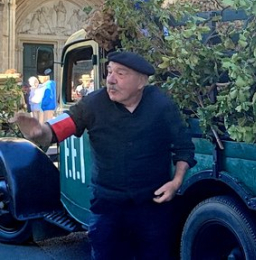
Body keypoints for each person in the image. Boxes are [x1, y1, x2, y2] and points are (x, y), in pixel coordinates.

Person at [13, 51, 196, 259]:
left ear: (141, 81)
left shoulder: (161, 105)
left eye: (121, 73)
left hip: (153, 206)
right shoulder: (93, 104)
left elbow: (183, 147)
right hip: (108, 207)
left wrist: (176, 181)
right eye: (109, 72)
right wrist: (40, 132)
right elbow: (60, 127)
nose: (110, 79)